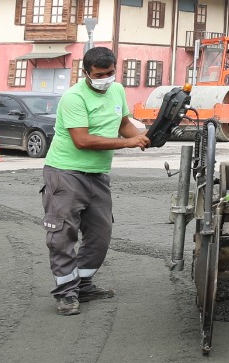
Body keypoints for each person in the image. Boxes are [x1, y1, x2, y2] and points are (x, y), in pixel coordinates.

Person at [42, 46, 151, 316]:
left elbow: (123, 122)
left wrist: (143, 134)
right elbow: (82, 140)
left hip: (98, 175)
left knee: (100, 235)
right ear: (86, 73)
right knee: (62, 236)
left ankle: (84, 285)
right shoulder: (73, 98)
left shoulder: (116, 90)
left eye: (111, 72)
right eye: (100, 74)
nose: (107, 78)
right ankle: (66, 294)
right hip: (65, 173)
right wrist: (127, 143)